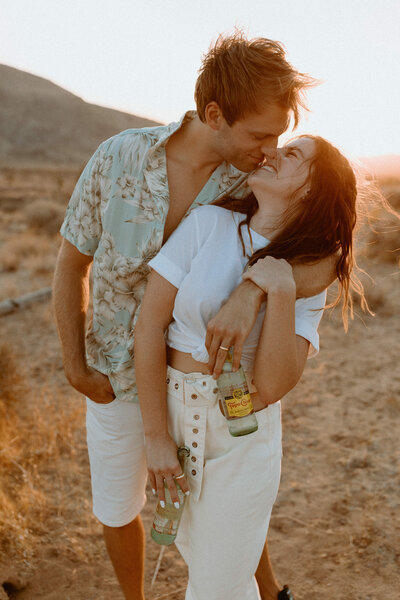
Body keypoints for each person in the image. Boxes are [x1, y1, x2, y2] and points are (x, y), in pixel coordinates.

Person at [53, 32, 336, 600]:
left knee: (222, 500)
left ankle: (269, 590)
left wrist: (251, 291)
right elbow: (70, 265)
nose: (271, 148)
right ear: (215, 114)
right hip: (115, 374)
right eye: (261, 133)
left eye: (279, 135)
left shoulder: (249, 181)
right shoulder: (119, 156)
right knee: (118, 503)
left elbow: (324, 256)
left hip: (197, 383)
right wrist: (75, 366)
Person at [134, 134, 363, 600]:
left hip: (243, 436)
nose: (274, 152)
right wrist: (157, 437)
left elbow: (274, 384)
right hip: (176, 420)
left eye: (293, 154)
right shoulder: (207, 224)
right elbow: (148, 328)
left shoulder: (307, 270)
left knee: (217, 587)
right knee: (211, 568)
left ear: (310, 189)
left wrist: (276, 288)